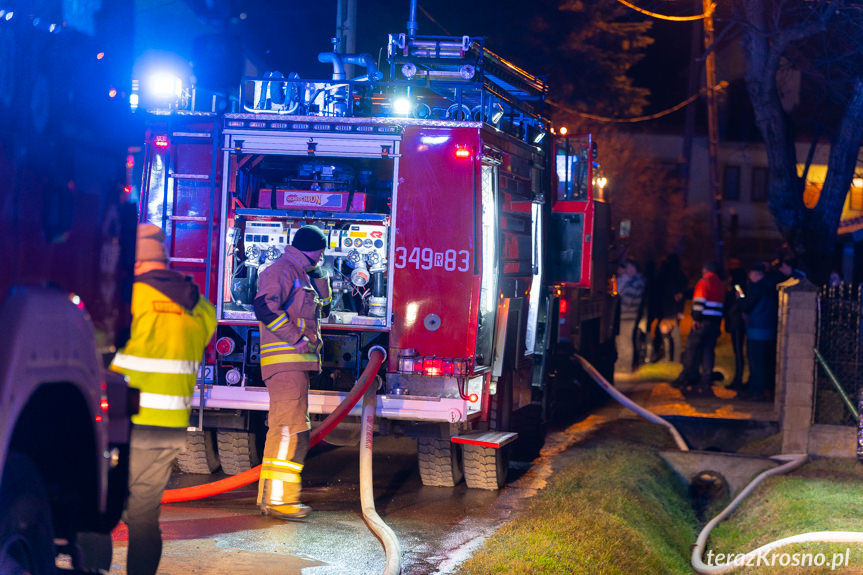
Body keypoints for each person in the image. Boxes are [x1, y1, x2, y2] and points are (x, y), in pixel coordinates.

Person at [110, 224, 216, 575]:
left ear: (132, 260)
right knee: (143, 516)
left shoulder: (128, 296)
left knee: (98, 506)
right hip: (168, 426)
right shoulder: (199, 306)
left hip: (121, 422)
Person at [253, 224, 329, 520]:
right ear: (313, 248)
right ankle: (280, 502)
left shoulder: (301, 273)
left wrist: (320, 276)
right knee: (290, 432)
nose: (323, 256)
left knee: (289, 430)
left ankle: (272, 498)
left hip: (294, 366)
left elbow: (325, 306)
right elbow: (264, 306)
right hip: (286, 364)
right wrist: (295, 339)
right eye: (321, 250)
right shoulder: (283, 269)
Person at [671, 261, 724, 396]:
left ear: (704, 270)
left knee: (691, 349)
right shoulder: (720, 283)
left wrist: (696, 318)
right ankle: (705, 380)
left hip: (702, 322)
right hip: (715, 323)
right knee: (708, 352)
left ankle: (684, 378)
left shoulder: (704, 282)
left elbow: (699, 302)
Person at [740, 262, 779, 401]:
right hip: (769, 329)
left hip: (756, 329)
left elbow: (745, 304)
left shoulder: (756, 288)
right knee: (766, 362)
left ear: (756, 274)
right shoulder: (772, 286)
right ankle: (765, 389)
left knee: (756, 362)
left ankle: (757, 390)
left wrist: (740, 295)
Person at [652, 253, 687, 363]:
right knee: (673, 335)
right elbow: (681, 295)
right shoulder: (679, 275)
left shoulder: (664, 275)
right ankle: (673, 358)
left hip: (666, 309)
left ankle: (669, 358)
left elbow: (659, 293)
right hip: (672, 309)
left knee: (667, 335)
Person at [614, 258, 646, 373]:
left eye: (628, 267)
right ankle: (627, 366)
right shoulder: (636, 281)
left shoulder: (635, 283)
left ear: (633, 268)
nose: (626, 270)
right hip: (630, 315)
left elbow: (627, 300)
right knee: (627, 341)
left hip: (628, 316)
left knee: (625, 341)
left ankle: (625, 367)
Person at [724, 261, 747, 391]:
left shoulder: (738, 287)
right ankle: (737, 378)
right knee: (737, 351)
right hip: (735, 323)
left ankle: (738, 379)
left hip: (737, 324)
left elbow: (742, 299)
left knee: (738, 351)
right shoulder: (736, 287)